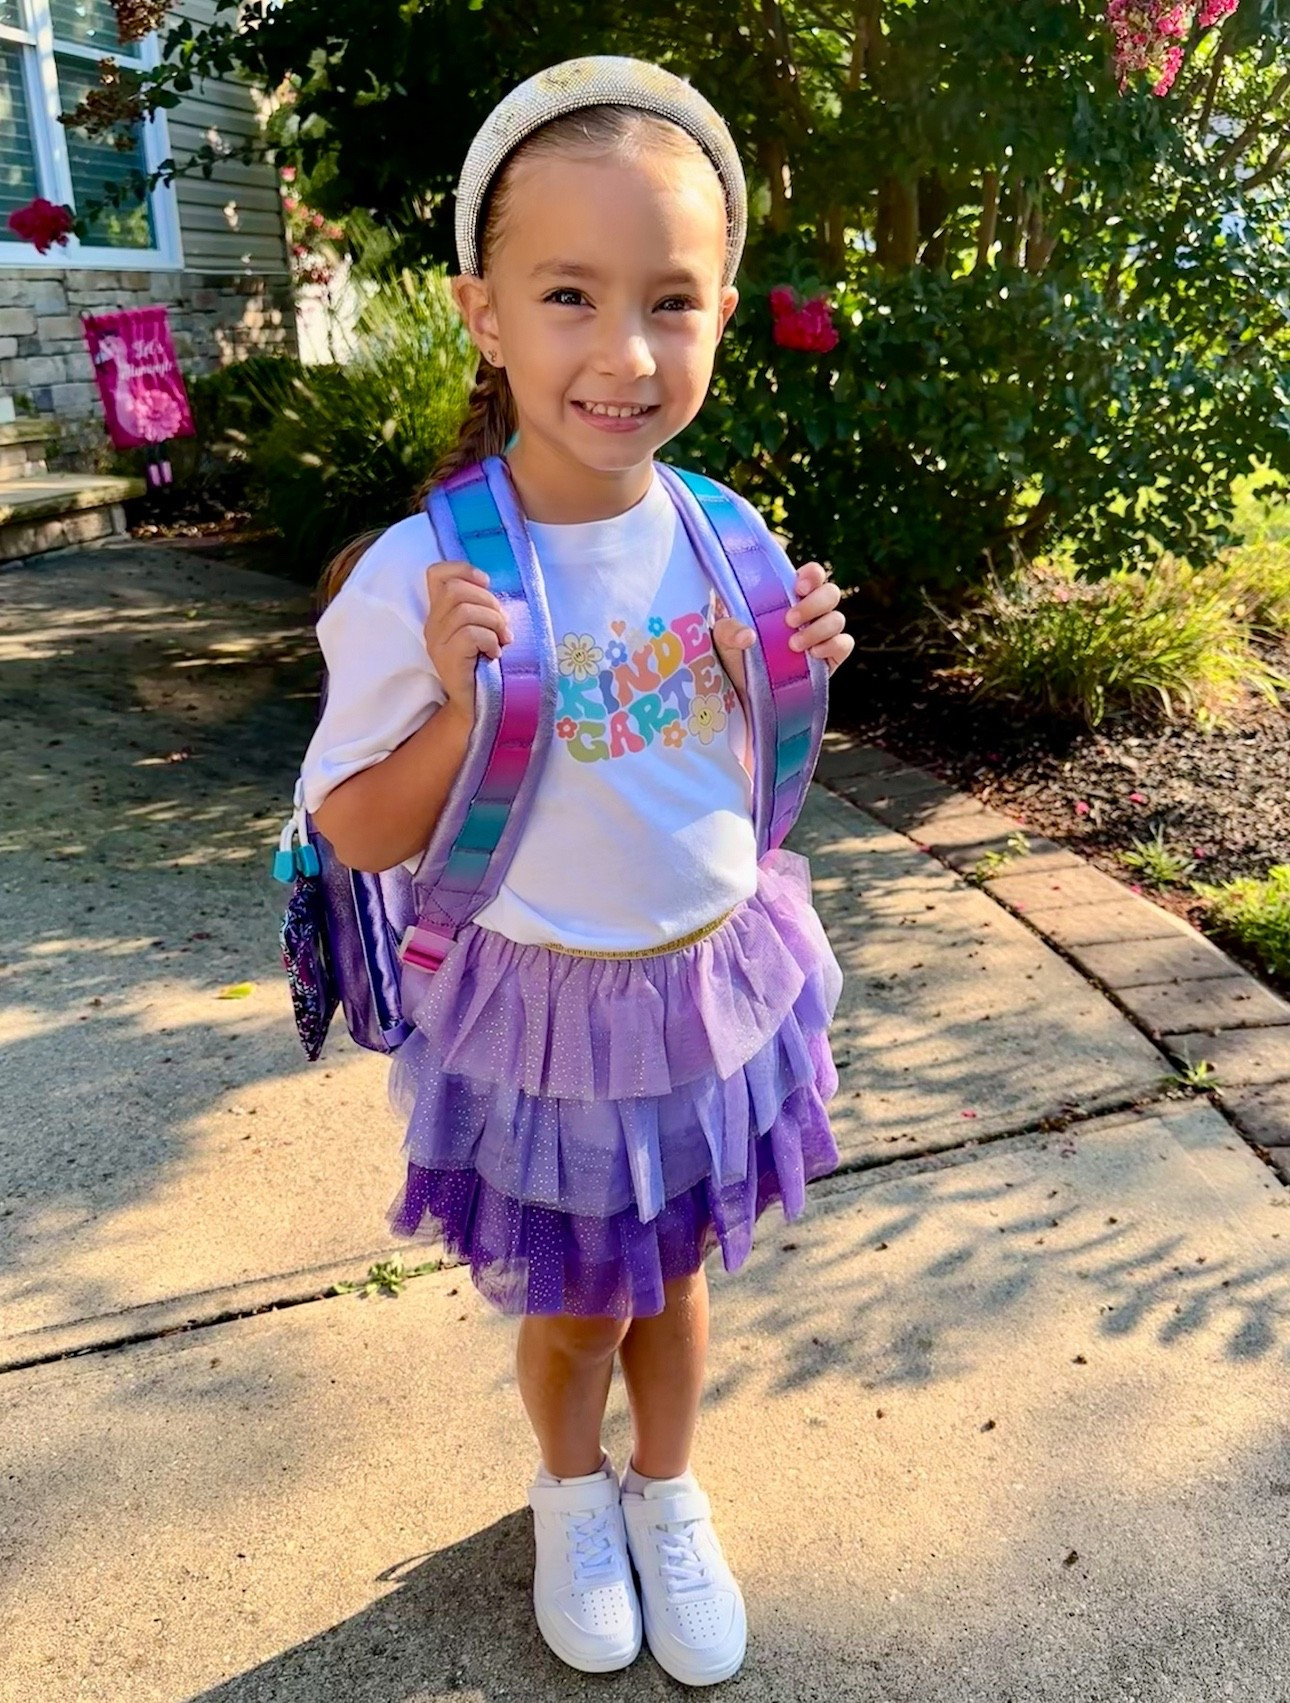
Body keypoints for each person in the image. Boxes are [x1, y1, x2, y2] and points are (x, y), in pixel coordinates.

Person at [299, 55, 854, 1688]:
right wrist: (461, 710)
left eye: (669, 302)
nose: (622, 353)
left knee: (673, 1283)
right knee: (572, 1310)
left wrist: (791, 673)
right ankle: (567, 1496)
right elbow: (355, 829)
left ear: (721, 312)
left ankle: (665, 1493)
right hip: (546, 1016)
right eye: (567, 295)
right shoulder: (428, 572)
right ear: (483, 312)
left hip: (700, 994)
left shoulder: (721, 535)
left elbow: (734, 788)